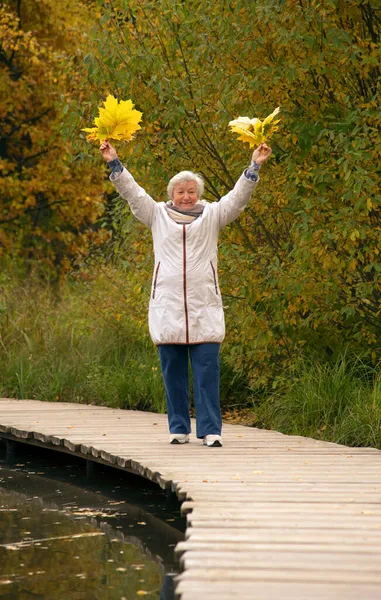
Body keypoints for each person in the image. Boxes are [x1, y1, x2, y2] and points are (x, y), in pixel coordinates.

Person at [100, 139, 272, 447]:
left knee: (207, 373)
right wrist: (114, 163)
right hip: (167, 307)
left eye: (191, 191)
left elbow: (237, 199)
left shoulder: (213, 215)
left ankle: (210, 430)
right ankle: (178, 428)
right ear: (171, 195)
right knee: (173, 375)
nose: (185, 196)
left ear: (199, 194)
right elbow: (133, 193)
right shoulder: (156, 215)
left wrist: (254, 166)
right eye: (180, 191)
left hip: (204, 306)